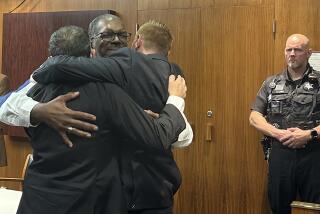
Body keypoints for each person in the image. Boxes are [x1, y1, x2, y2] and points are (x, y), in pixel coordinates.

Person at [16, 25, 187, 214]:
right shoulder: (108, 94)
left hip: (37, 200)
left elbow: (9, 107)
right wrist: (175, 100)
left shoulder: (32, 94)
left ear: (50, 55)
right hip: (89, 203)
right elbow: (158, 136)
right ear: (91, 53)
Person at [249, 34, 320, 214]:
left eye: (298, 50)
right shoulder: (271, 83)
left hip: (313, 155)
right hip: (280, 154)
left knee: (315, 207)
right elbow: (254, 116)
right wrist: (278, 133)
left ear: (309, 53)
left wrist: (308, 134)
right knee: (279, 205)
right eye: (289, 49)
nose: (292, 54)